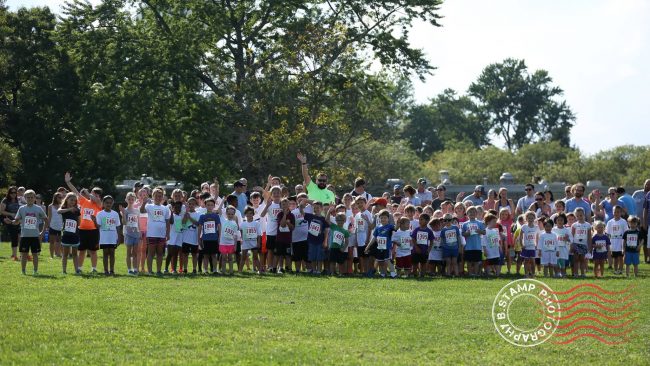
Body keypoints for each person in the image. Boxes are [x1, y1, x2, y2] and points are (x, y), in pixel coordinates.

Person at [65, 173, 102, 273]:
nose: (95, 195)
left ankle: (94, 269)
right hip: (82, 230)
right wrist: (68, 182)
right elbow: (75, 192)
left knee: (93, 251)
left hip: (93, 230)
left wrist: (89, 193)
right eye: (94, 193)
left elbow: (97, 200)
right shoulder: (84, 201)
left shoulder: (99, 204)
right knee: (81, 251)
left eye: (97, 194)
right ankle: (79, 268)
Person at [13, 190, 47, 275]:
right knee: (24, 254)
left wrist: (42, 232)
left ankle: (35, 271)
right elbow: (17, 221)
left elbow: (46, 220)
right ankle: (23, 271)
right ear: (25, 198)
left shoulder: (38, 208)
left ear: (35, 198)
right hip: (24, 236)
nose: (30, 199)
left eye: (32, 197)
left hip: (35, 236)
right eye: (28, 197)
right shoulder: (21, 208)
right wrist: (12, 222)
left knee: (35, 254)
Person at [140, 187, 171, 275]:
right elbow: (142, 211)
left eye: (160, 196)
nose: (158, 198)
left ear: (163, 197)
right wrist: (144, 203)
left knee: (160, 253)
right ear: (153, 196)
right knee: (151, 253)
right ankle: (150, 271)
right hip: (151, 234)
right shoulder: (149, 206)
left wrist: (168, 234)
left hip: (161, 234)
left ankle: (158, 271)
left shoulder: (165, 208)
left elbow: (167, 222)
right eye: (156, 196)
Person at [364, 209, 395, 278]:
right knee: (380, 261)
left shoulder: (390, 226)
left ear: (388, 218)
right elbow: (374, 238)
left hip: (387, 247)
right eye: (381, 218)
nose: (383, 219)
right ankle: (382, 274)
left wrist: (398, 224)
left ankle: (393, 273)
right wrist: (368, 246)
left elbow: (396, 228)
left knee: (387, 260)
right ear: (379, 219)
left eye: (385, 218)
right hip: (380, 247)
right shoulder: (378, 228)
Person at [94, 196, 120, 275]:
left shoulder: (115, 214)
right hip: (104, 237)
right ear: (103, 203)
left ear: (112, 203)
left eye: (110, 203)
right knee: (105, 253)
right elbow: (98, 226)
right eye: (107, 203)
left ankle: (112, 270)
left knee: (112, 253)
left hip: (112, 237)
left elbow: (118, 226)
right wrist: (94, 221)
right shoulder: (100, 214)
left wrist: (118, 237)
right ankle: (106, 270)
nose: (108, 204)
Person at [304, 201, 329, 275]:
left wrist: (325, 241)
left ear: (321, 208)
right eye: (314, 207)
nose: (316, 209)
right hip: (311, 240)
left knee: (320, 256)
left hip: (320, 240)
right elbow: (301, 212)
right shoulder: (310, 216)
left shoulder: (323, 219)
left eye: (318, 207)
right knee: (312, 256)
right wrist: (303, 203)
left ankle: (319, 270)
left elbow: (326, 230)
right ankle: (314, 270)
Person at [58, 192, 80, 274]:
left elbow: (79, 220)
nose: (73, 202)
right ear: (66, 200)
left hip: (75, 235)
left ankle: (77, 270)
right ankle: (64, 271)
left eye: (74, 200)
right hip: (66, 234)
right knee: (65, 254)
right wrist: (69, 209)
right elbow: (58, 211)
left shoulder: (77, 210)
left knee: (75, 253)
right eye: (71, 200)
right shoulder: (64, 209)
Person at [461, 206, 485, 276]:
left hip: (477, 246)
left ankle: (476, 273)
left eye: (474, 212)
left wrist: (479, 231)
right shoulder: (465, 224)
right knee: (469, 261)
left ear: (476, 213)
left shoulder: (480, 223)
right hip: (469, 246)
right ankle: (470, 273)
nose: (472, 213)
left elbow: (484, 232)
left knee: (477, 261)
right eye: (470, 212)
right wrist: (467, 233)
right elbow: (463, 234)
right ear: (467, 214)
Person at [198, 198, 220, 274]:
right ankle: (205, 270)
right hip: (205, 239)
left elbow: (219, 227)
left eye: (211, 205)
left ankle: (214, 270)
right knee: (206, 255)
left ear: (214, 206)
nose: (210, 206)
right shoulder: (202, 216)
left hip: (214, 239)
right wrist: (199, 238)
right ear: (205, 205)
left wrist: (219, 237)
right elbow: (200, 228)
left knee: (214, 255)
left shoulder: (216, 216)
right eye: (208, 205)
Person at [121, 192, 141, 275]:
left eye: (132, 199)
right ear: (126, 200)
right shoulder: (124, 210)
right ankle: (129, 269)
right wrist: (123, 213)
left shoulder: (137, 210)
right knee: (129, 252)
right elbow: (124, 223)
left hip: (136, 233)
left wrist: (139, 232)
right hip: (128, 233)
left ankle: (135, 269)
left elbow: (138, 222)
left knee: (135, 253)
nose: (131, 200)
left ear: (135, 200)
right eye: (129, 199)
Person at [180, 197, 201, 274]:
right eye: (189, 204)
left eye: (193, 204)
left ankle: (194, 269)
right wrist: (186, 216)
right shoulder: (184, 213)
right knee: (185, 254)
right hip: (185, 238)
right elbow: (181, 225)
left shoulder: (198, 214)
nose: (191, 205)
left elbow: (198, 224)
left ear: (195, 205)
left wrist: (190, 218)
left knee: (194, 255)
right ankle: (185, 269)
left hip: (194, 238)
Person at [274, 199, 294, 274]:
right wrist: (285, 215)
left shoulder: (292, 215)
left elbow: (292, 228)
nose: (284, 206)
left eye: (286, 204)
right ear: (280, 206)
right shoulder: (279, 214)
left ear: (289, 205)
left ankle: (289, 269)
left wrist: (288, 223)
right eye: (283, 204)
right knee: (278, 255)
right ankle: (276, 268)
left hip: (288, 239)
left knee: (288, 255)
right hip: (279, 239)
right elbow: (282, 224)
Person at [605, 206, 628, 275]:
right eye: (615, 212)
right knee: (615, 258)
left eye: (618, 212)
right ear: (612, 212)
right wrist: (608, 243)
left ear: (621, 213)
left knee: (620, 257)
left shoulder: (623, 221)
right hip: (613, 242)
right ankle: (615, 270)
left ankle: (620, 269)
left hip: (621, 242)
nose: (616, 213)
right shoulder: (610, 222)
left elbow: (626, 232)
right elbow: (607, 233)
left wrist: (625, 242)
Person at [1, 186, 22, 260]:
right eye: (11, 193)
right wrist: (11, 214)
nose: (13, 194)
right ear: (9, 193)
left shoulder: (19, 200)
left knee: (21, 236)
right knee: (14, 237)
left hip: (18, 220)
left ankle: (22, 254)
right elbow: (1, 211)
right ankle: (14, 255)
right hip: (9, 221)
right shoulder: (5, 200)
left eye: (15, 193)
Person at [219, 206, 240, 275]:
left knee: (231, 258)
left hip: (231, 243)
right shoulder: (223, 220)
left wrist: (235, 245)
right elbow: (219, 210)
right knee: (224, 258)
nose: (230, 215)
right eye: (229, 214)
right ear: (226, 213)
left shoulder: (234, 224)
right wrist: (223, 201)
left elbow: (235, 235)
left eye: (232, 214)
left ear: (234, 214)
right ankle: (224, 271)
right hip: (223, 243)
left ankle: (231, 271)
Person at [411, 213, 433, 278]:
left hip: (424, 250)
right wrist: (416, 247)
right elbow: (413, 238)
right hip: (416, 251)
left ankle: (422, 275)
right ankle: (414, 274)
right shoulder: (416, 230)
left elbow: (432, 241)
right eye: (419, 219)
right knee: (415, 263)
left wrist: (429, 250)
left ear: (427, 221)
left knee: (423, 263)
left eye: (421, 219)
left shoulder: (429, 231)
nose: (419, 221)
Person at [571, 207, 591, 278]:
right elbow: (572, 236)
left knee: (582, 260)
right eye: (578, 216)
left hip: (584, 244)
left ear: (584, 215)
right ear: (576, 216)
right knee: (576, 259)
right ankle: (576, 273)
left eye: (581, 215)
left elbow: (589, 237)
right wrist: (572, 245)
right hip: (576, 244)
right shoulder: (574, 225)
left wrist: (589, 248)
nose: (580, 217)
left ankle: (583, 273)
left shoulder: (588, 225)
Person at [240, 206, 262, 273]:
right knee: (243, 257)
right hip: (245, 243)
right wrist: (241, 240)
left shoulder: (256, 223)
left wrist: (258, 243)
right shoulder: (243, 224)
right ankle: (240, 271)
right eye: (247, 213)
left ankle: (260, 271)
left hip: (254, 243)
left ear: (253, 214)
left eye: (250, 213)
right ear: (245, 214)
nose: (249, 215)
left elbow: (259, 234)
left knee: (255, 257)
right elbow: (241, 232)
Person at [165, 201, 184, 274]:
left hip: (178, 237)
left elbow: (179, 228)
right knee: (170, 254)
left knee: (176, 254)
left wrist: (181, 228)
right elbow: (171, 222)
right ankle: (166, 269)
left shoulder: (179, 216)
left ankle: (174, 269)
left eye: (179, 207)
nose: (178, 209)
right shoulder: (171, 215)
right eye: (176, 207)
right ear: (173, 208)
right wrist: (172, 212)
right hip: (172, 237)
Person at [519, 212, 539, 278]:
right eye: (529, 218)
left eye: (532, 218)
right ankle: (526, 274)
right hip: (526, 247)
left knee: (533, 261)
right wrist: (522, 245)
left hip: (533, 247)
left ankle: (533, 274)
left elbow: (537, 237)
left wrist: (537, 245)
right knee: (526, 261)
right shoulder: (524, 227)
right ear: (526, 218)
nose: (530, 219)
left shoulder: (536, 227)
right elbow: (520, 236)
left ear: (534, 219)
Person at [551, 213, 572, 278]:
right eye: (558, 220)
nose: (560, 222)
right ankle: (557, 273)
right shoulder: (553, 229)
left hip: (563, 249)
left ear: (564, 221)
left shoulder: (567, 230)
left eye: (561, 220)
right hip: (555, 249)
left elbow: (571, 239)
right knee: (556, 261)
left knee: (562, 262)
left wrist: (567, 239)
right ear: (555, 221)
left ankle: (563, 274)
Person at [47, 192, 63, 258]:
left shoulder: (63, 205)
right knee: (52, 242)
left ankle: (58, 254)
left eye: (61, 197)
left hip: (60, 227)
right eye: (59, 197)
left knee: (59, 241)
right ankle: (51, 256)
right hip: (52, 226)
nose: (61, 199)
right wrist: (48, 226)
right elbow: (49, 217)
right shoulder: (50, 206)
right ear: (55, 198)